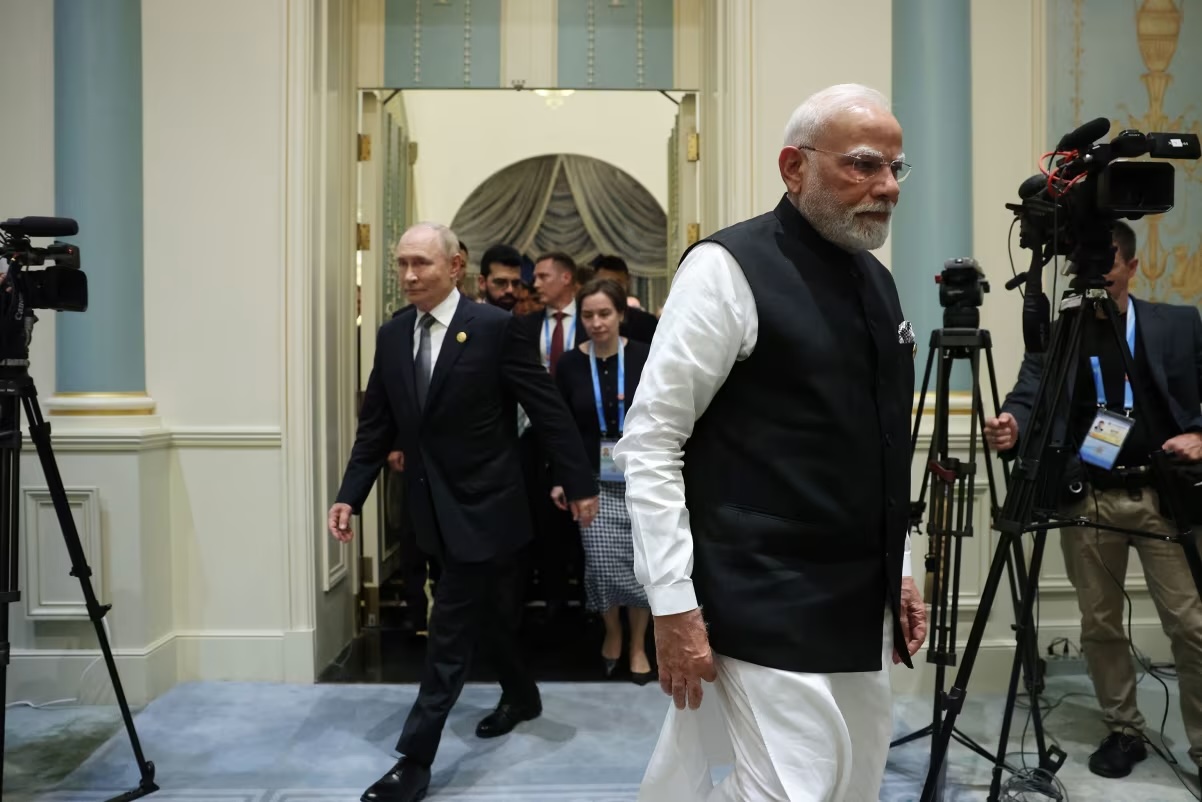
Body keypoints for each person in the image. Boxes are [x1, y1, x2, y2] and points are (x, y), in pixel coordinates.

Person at [613, 83, 927, 801]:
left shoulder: (879, 285)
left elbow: (883, 447)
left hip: (860, 599)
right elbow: (654, 441)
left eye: (895, 169)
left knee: (852, 785)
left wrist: (901, 567)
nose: (887, 187)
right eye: (864, 166)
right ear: (794, 167)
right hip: (760, 595)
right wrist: (670, 602)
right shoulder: (725, 270)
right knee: (791, 792)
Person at [328, 222, 598, 802]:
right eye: (401, 264)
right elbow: (376, 425)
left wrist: (578, 482)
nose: (408, 275)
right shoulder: (393, 335)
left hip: (488, 506)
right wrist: (350, 494)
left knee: (449, 629)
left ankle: (414, 760)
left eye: (421, 263)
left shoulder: (496, 329)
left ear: (455, 268)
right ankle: (523, 696)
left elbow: (546, 409)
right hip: (428, 507)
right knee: (485, 618)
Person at [985, 220, 1202, 783]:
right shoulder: (1065, 331)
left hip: (1162, 496)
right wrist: (1012, 422)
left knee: (1192, 623)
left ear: (1131, 267)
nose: (1100, 288)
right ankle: (1123, 729)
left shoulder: (1178, 324)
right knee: (1100, 623)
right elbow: (1029, 390)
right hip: (1090, 498)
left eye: (1109, 276)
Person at [551, 278, 654, 683]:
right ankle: (612, 631)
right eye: (588, 315)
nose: (596, 323)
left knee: (642, 564)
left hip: (643, 476)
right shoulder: (571, 364)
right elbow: (561, 428)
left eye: (604, 314)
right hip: (591, 479)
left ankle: (638, 645)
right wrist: (564, 479)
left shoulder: (646, 356)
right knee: (602, 564)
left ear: (621, 315)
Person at [591, 254, 659, 343]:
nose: (611, 289)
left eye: (617, 283)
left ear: (628, 282)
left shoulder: (646, 322)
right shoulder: (585, 321)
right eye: (605, 283)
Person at [477, 243, 525, 311]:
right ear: (482, 283)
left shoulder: (529, 320)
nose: (510, 290)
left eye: (515, 283)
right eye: (501, 282)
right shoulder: (466, 320)